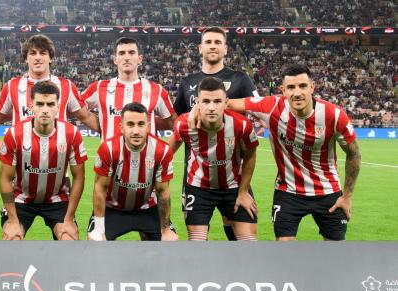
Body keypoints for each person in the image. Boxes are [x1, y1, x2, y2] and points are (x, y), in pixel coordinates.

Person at [207, 64, 361, 241]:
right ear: (283, 90)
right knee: (285, 252)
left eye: (303, 86)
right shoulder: (271, 106)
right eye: (291, 87)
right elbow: (226, 103)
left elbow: (354, 153)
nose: (297, 93)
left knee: (336, 256)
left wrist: (347, 196)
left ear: (312, 87)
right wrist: (197, 110)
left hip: (328, 193)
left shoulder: (334, 115)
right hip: (288, 193)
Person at [173, 26, 260, 241]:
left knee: (240, 230)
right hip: (196, 170)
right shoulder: (187, 82)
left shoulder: (240, 79)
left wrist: (213, 108)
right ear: (200, 48)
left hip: (233, 170)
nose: (213, 46)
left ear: (226, 48)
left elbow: (258, 108)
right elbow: (177, 120)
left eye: (218, 42)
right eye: (209, 42)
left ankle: (235, 270)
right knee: (197, 237)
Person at [0, 81, 86, 240]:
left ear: (58, 107)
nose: (45, 109)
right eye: (40, 104)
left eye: (50, 104)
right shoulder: (14, 134)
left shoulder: (72, 134)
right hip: (21, 199)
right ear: (31, 106)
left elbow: (79, 177)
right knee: (12, 240)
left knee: (70, 239)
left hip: (57, 199)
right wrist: (12, 220)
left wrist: (68, 219)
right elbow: (5, 178)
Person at [88, 102, 177, 241]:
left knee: (171, 242)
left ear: (148, 127)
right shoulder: (108, 149)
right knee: (96, 241)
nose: (136, 131)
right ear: (121, 127)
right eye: (130, 124)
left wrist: (165, 230)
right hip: (113, 209)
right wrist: (99, 229)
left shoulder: (162, 150)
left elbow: (163, 192)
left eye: (141, 124)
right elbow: (100, 188)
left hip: (148, 209)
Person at [0, 34, 96, 128]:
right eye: (33, 53)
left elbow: (86, 117)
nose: (38, 57)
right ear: (26, 58)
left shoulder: (66, 85)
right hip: (23, 154)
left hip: (57, 154)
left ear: (50, 58)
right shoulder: (12, 86)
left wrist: (113, 132)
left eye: (42, 53)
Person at [82, 37, 177, 139]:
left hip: (146, 155)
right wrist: (102, 125)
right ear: (115, 59)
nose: (126, 57)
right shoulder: (99, 87)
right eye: (122, 53)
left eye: (131, 53)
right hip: (110, 154)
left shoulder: (157, 90)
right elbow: (78, 110)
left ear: (139, 59)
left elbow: (173, 122)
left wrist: (148, 122)